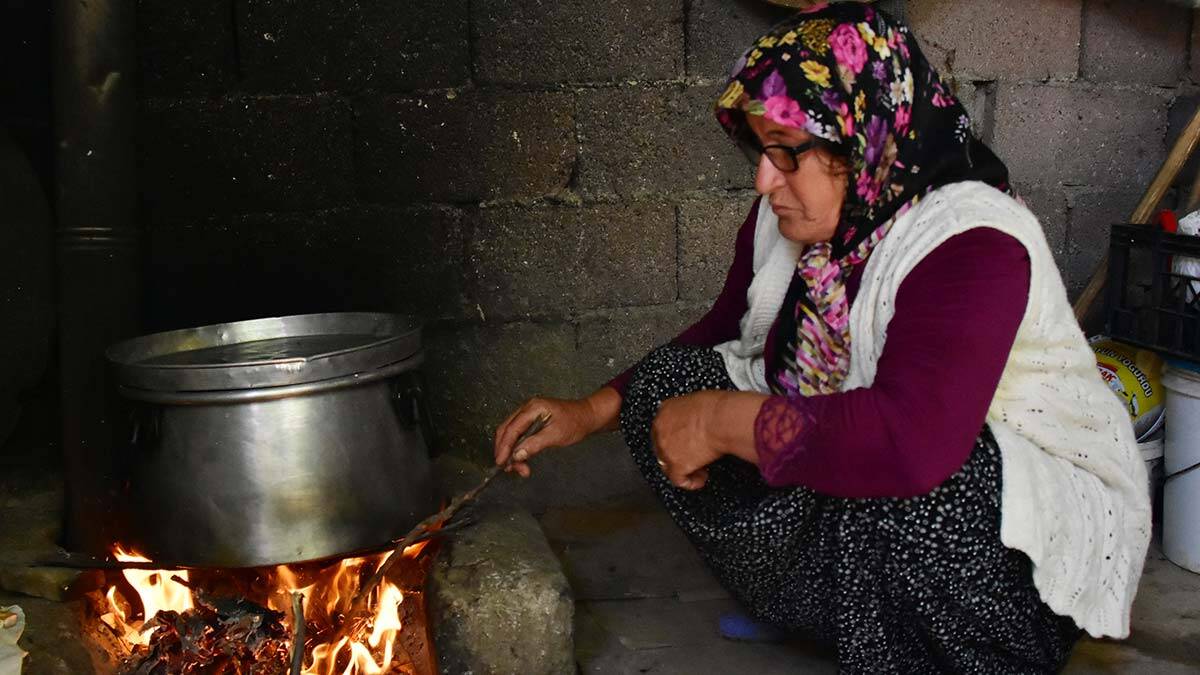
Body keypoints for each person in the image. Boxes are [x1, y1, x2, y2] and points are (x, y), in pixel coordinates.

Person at [493, 3, 1150, 672]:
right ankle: (833, 617)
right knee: (667, 389)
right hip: (859, 511)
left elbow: (911, 441)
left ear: (863, 140)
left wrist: (722, 421)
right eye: (760, 150)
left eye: (786, 152)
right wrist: (587, 412)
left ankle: (953, 652)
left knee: (920, 482)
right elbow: (720, 330)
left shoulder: (971, 241)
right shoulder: (791, 223)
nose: (763, 179)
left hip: (1001, 569)